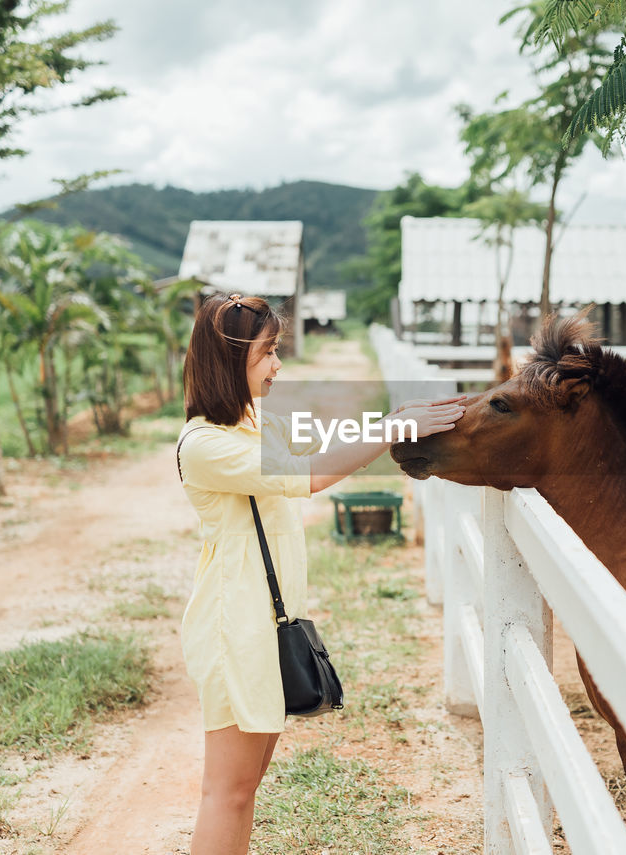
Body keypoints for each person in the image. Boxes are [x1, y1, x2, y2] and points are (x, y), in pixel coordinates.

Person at [175, 293, 464, 855]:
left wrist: (396, 423)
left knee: (245, 788)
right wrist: (393, 429)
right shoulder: (205, 444)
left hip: (262, 623)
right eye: (268, 352)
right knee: (227, 792)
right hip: (234, 627)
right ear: (230, 359)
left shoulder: (254, 422)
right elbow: (307, 473)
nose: (278, 365)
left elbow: (326, 443)